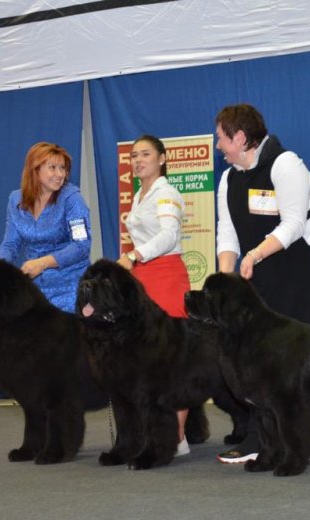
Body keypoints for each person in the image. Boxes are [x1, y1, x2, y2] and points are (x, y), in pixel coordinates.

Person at [214, 103, 310, 463]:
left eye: (221, 138)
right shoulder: (229, 177)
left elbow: (294, 224)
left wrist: (253, 256)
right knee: (260, 362)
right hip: (263, 275)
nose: (218, 146)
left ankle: (299, 441)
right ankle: (259, 439)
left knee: (309, 359)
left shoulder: (286, 165)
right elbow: (228, 234)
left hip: (306, 271)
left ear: (241, 138)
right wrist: (225, 277)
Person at [117, 134, 192, 457]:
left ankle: (177, 437)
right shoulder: (139, 196)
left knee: (172, 363)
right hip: (142, 279)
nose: (137, 160)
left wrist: (133, 255)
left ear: (162, 159)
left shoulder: (168, 193)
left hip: (166, 277)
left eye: (145, 154)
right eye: (133, 156)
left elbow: (168, 235)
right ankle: (154, 431)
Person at [0, 142, 91, 313]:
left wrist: (42, 263)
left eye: (63, 168)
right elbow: (10, 244)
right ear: (35, 169)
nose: (60, 174)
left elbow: (81, 246)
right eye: (53, 167)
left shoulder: (72, 199)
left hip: (72, 291)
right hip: (34, 293)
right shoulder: (15, 200)